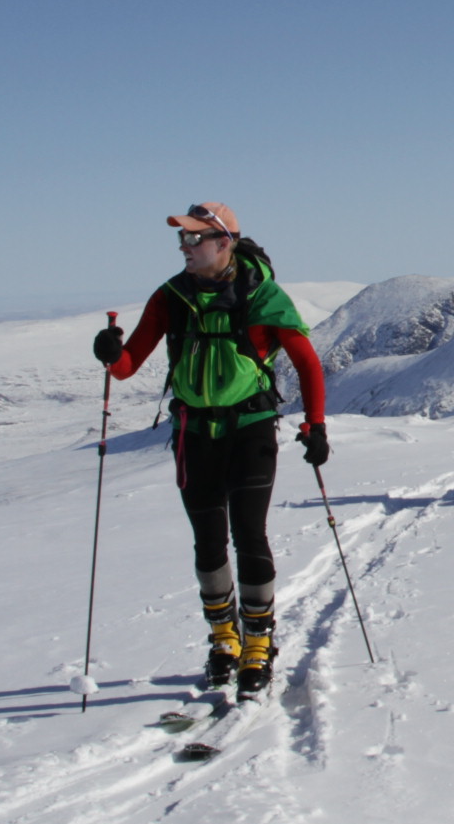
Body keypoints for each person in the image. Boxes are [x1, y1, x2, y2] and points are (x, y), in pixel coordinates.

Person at [92, 203, 327, 696]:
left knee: (248, 534)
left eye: (195, 239)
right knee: (208, 540)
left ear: (225, 243)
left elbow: (307, 362)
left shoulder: (262, 296)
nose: (185, 247)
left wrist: (316, 425)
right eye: (183, 239)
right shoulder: (171, 296)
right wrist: (111, 355)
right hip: (194, 432)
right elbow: (129, 364)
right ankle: (224, 638)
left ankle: (257, 641)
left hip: (251, 427)